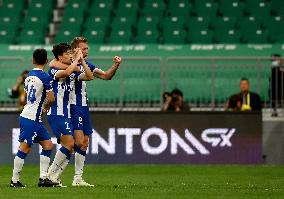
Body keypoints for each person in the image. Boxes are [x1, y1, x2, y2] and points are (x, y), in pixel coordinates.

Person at [49, 36, 121, 186]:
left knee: (84, 142)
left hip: (84, 106)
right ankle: (51, 175)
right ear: (76, 49)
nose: (87, 50)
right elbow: (52, 63)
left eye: (87, 48)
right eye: (84, 48)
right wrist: (76, 60)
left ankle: (77, 178)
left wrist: (116, 65)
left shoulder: (86, 64)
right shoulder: (65, 64)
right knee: (77, 142)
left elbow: (106, 76)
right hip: (72, 107)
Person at [46, 43, 94, 187]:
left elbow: (90, 76)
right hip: (56, 113)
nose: (70, 55)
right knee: (69, 144)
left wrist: (81, 61)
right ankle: (49, 176)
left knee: (71, 145)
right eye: (67, 53)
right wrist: (75, 60)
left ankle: (53, 177)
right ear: (60, 57)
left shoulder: (71, 70)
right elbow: (65, 72)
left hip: (65, 113)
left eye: (70, 53)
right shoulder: (54, 71)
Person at [10, 49, 56, 188]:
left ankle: (43, 178)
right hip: (30, 118)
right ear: (46, 61)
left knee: (48, 144)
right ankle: (14, 180)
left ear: (32, 60)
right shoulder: (45, 77)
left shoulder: (28, 75)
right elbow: (52, 97)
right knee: (25, 147)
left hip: (34, 118)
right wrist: (46, 106)